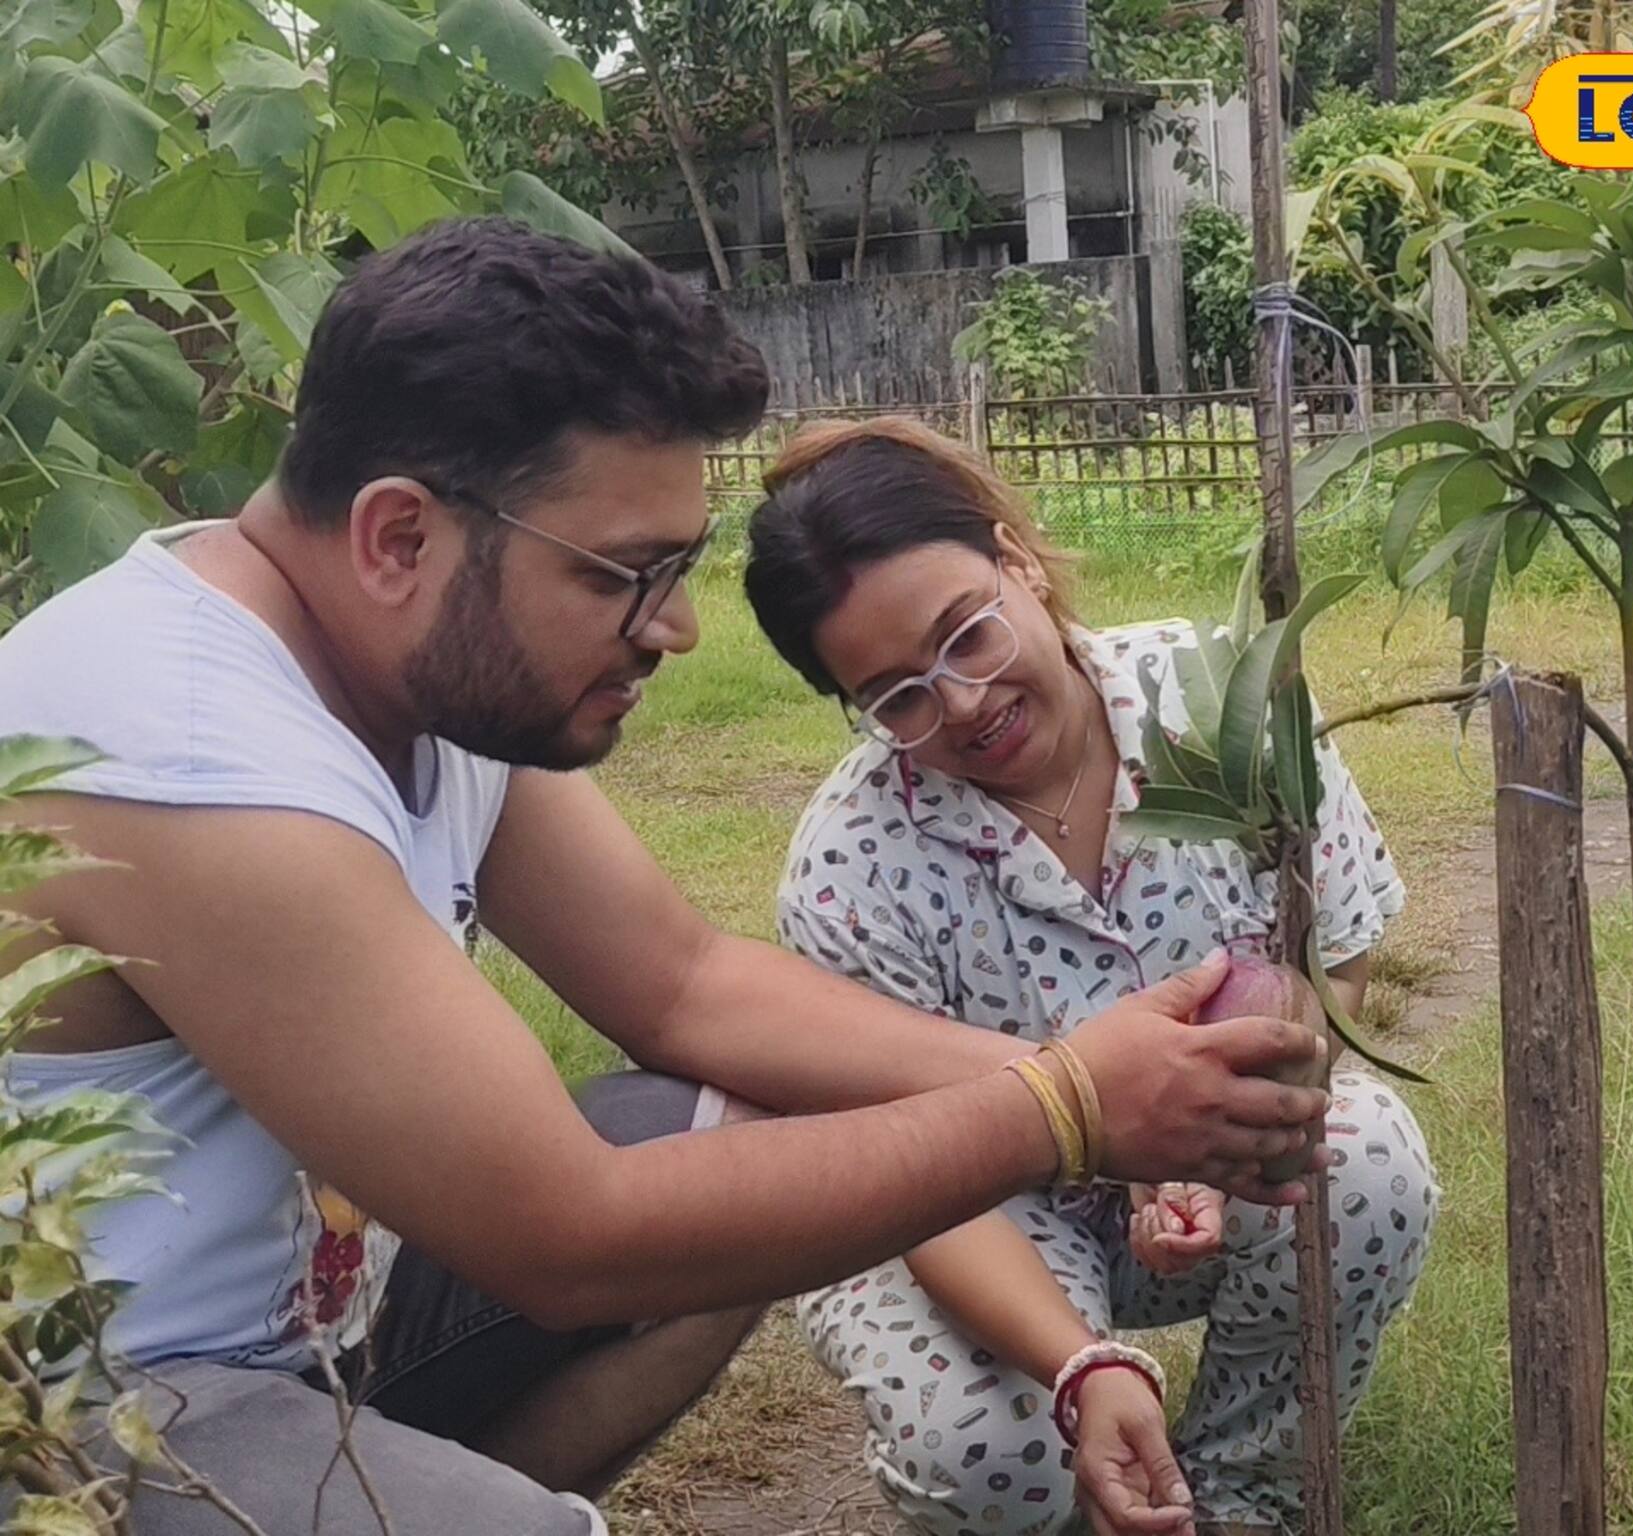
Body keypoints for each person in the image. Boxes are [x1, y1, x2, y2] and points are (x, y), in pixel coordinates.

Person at [0, 218, 1335, 1536]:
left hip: (305, 1320)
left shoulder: (395, 668)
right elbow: (566, 1236)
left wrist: (1091, 1070)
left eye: (681, 570)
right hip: (91, 1405)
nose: (678, 630)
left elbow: (684, 986)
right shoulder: (191, 759)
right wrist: (1065, 1110)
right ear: (400, 538)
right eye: (629, 577)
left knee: (743, 1131)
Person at [743, 418, 1437, 1536]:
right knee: (991, 1457)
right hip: (972, 1208)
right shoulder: (849, 866)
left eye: (965, 633)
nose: (959, 702)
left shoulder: (1220, 704)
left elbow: (1334, 963)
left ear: (1015, 558)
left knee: (1369, 1165)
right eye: (896, 695)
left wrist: (1222, 1145)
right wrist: (1081, 1368)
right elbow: (907, 1173)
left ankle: (1236, 1495)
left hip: (1195, 1183)